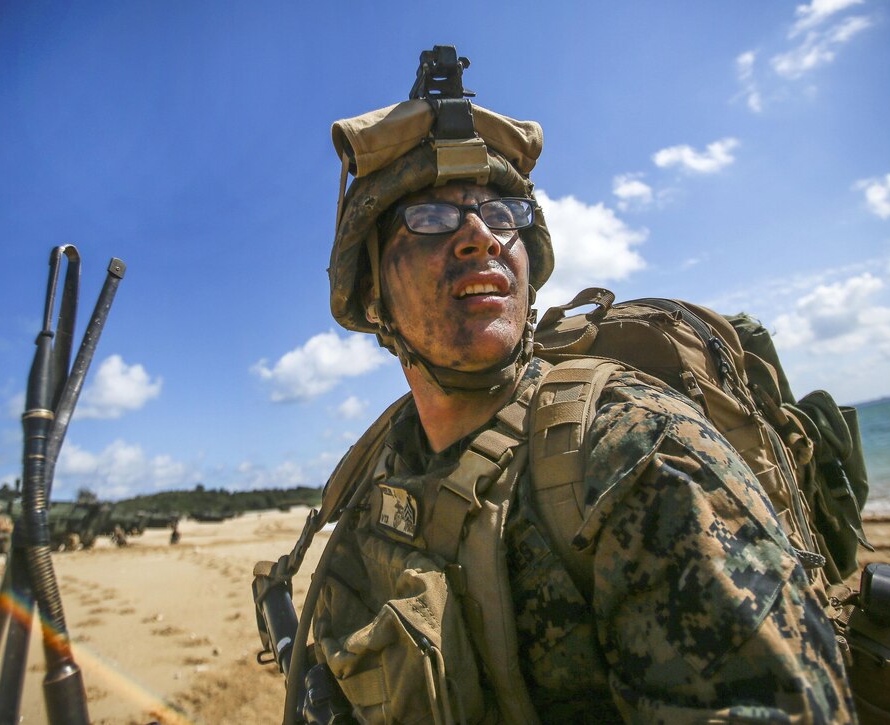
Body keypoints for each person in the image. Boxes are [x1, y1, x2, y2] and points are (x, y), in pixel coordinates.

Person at [298, 47, 855, 723]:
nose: (481, 236)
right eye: (432, 217)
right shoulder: (372, 480)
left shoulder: (636, 451)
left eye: (503, 213)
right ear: (372, 293)